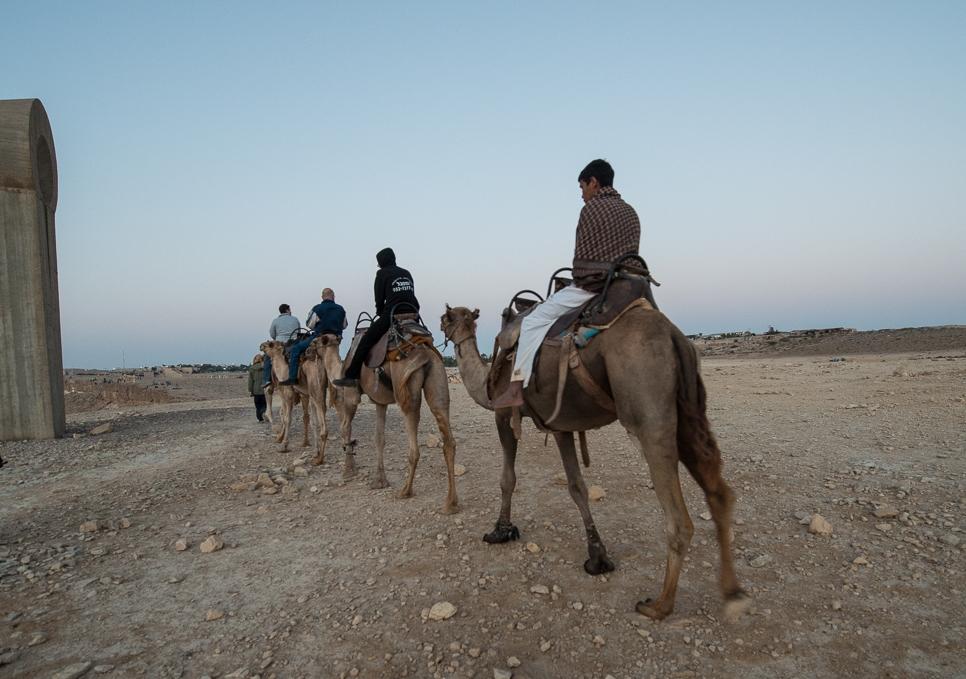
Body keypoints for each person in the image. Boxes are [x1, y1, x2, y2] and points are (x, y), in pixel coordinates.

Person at [493, 159, 642, 407]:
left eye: (582, 187)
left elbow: (582, 260)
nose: (582, 195)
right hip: (629, 287)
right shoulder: (630, 212)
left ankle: (516, 388)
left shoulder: (592, 209)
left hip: (596, 286)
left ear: (593, 182)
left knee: (531, 322)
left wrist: (580, 277)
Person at [334, 247, 418, 388]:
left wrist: (380, 313)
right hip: (413, 314)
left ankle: (351, 376)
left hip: (393, 315)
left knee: (365, 341)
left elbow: (379, 300)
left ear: (381, 262)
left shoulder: (381, 274)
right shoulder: (406, 272)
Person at [279, 288, 348, 385]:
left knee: (295, 349)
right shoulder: (341, 309)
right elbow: (344, 325)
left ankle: (293, 378)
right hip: (335, 339)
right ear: (333, 296)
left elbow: (309, 324)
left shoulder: (317, 308)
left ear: (322, 297)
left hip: (319, 337)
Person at [262, 303, 301, 387]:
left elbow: (272, 334)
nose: (291, 311)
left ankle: (266, 380)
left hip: (280, 345)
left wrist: (278, 338)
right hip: (293, 343)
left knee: (267, 357)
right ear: (287, 310)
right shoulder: (295, 319)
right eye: (290, 310)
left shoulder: (275, 321)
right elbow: (299, 332)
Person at [248, 354, 268, 421]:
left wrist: (250, 390)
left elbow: (250, 381)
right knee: (265, 404)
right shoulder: (266, 367)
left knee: (258, 405)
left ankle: (260, 418)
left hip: (256, 390)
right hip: (265, 389)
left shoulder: (252, 368)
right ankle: (264, 412)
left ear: (254, 359)